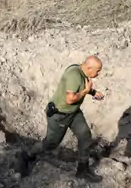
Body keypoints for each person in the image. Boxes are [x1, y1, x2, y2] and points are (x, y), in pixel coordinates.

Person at [19, 55, 105, 183]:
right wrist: (86, 90)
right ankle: (26, 156)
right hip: (60, 115)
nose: (98, 73)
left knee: (85, 136)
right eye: (97, 70)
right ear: (88, 67)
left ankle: (83, 170)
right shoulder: (74, 75)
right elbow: (70, 99)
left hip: (74, 113)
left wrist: (92, 92)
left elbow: (80, 87)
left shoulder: (81, 71)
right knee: (51, 144)